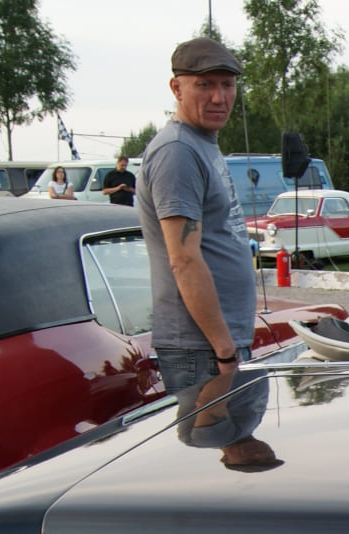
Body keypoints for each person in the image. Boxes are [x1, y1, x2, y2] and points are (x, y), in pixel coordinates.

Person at [137, 37, 255, 394]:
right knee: (207, 446)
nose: (219, 98)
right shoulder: (177, 151)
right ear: (177, 88)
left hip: (214, 347)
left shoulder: (201, 142)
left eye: (227, 85)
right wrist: (224, 348)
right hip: (201, 350)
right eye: (204, 85)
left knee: (233, 447)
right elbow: (183, 260)